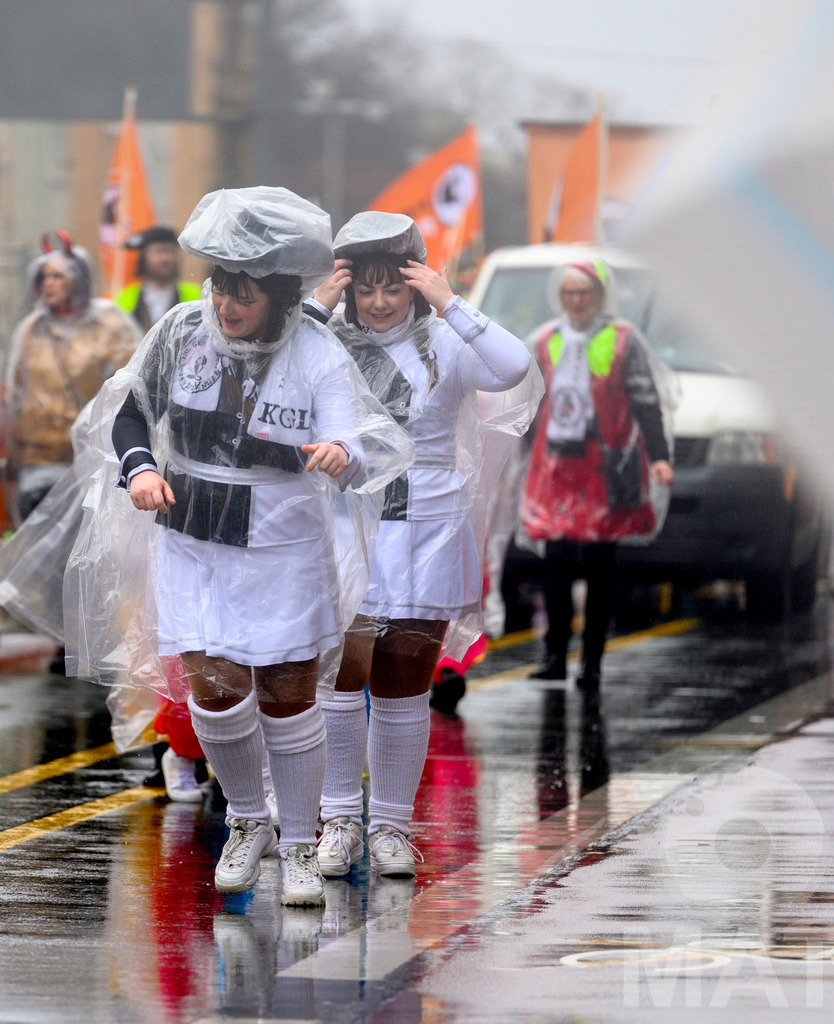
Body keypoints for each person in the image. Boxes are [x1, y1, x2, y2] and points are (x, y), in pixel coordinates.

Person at [98, 187, 411, 905]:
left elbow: (356, 441)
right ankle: (247, 822)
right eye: (219, 287)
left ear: (275, 293)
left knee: (286, 688)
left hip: (281, 542)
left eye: (243, 292)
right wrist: (141, 468)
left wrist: (339, 453)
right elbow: (131, 413)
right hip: (193, 533)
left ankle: (299, 842)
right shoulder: (180, 332)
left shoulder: (316, 350)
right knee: (211, 685)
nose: (227, 305)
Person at [302, 211, 539, 879]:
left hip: (429, 527)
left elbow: (514, 365)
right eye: (364, 288)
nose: (378, 303)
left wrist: (449, 300)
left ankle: (393, 830)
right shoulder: (324, 343)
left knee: (405, 688)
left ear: (414, 281)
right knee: (343, 680)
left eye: (393, 287)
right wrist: (319, 307)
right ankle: (340, 819)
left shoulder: (447, 341)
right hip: (348, 524)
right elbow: (271, 376)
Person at [521, 258, 674, 690]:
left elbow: (646, 401)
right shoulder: (545, 339)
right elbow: (522, 401)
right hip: (555, 467)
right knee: (556, 563)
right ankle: (554, 656)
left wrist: (659, 456)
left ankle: (591, 662)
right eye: (569, 293)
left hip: (603, 469)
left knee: (601, 565)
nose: (576, 301)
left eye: (584, 293)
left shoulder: (624, 341)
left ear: (600, 296)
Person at [5, 232, 139, 525]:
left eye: (56, 276)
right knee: (38, 546)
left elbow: (128, 390)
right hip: (38, 458)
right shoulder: (32, 328)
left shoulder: (111, 324)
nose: (47, 284)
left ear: (78, 279)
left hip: (88, 460)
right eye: (43, 277)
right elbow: (15, 395)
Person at [115, 225, 202, 334]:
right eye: (159, 251)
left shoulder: (196, 294)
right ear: (144, 257)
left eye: (170, 251)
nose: (165, 258)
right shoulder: (125, 298)